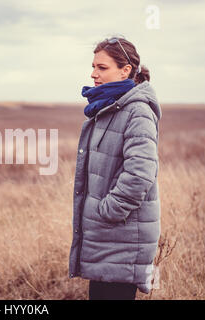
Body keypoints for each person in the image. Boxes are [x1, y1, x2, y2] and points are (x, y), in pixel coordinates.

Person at [68, 36, 162, 300]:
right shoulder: (108, 108)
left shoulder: (137, 112)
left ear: (126, 70)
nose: (93, 73)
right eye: (93, 66)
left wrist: (107, 211)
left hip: (121, 237)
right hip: (108, 237)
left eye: (102, 67)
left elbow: (140, 174)